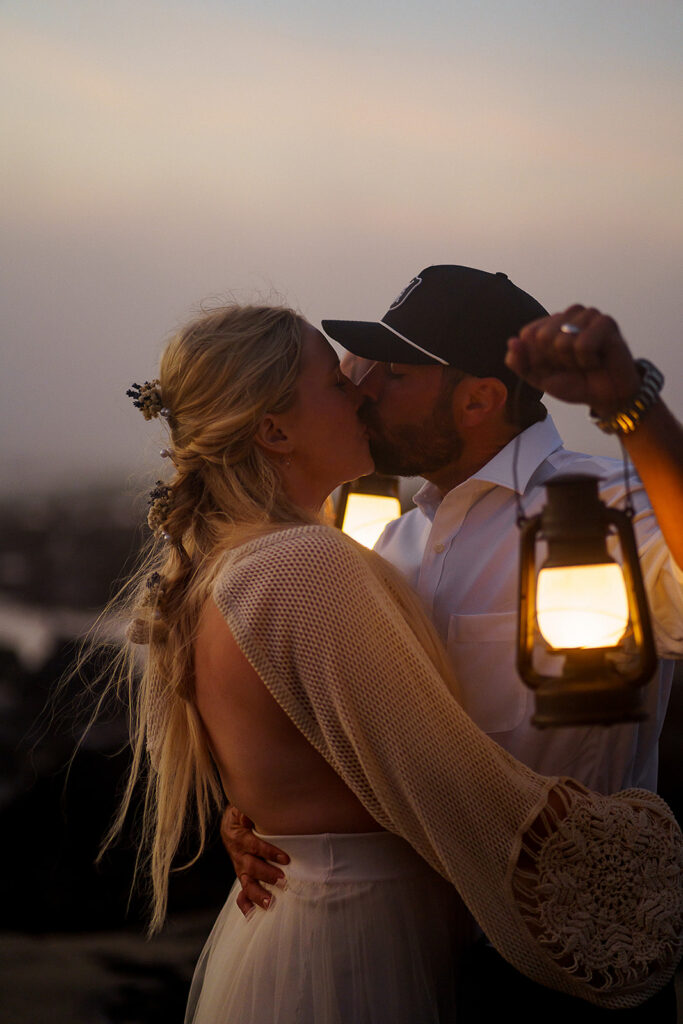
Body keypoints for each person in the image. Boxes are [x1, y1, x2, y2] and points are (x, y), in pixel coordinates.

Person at [114, 301, 680, 1024]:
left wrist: (629, 401)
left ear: (477, 397)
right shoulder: (385, 544)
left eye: (394, 372)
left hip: (560, 953)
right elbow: (353, 733)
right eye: (351, 373)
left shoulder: (613, 508)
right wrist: (275, 808)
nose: (364, 387)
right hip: (410, 950)